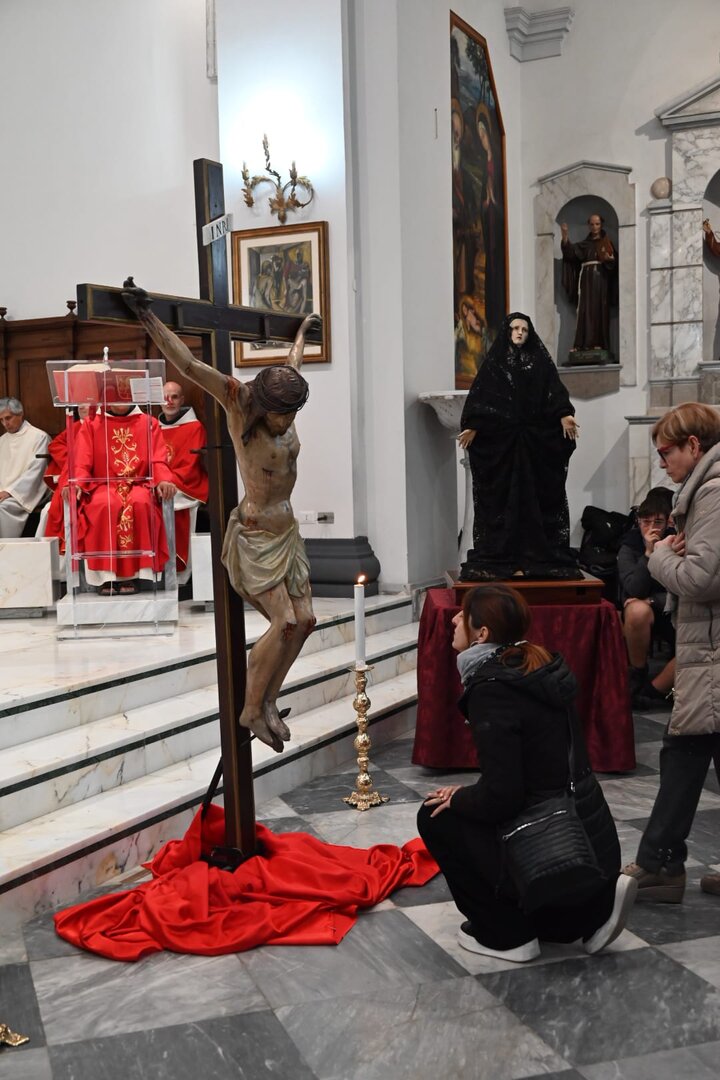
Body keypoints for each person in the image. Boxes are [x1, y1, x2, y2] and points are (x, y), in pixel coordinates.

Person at [122, 280, 319, 754]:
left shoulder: (283, 398)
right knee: (285, 622)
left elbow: (293, 363)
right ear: (263, 405)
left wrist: (301, 333)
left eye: (292, 413)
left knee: (307, 620)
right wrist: (148, 318)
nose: (287, 421)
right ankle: (251, 708)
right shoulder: (239, 403)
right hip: (256, 535)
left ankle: (269, 699)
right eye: (281, 415)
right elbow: (189, 365)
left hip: (288, 532)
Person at [417, 584, 635, 962]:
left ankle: (505, 934)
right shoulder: (535, 667)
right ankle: (584, 913)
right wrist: (470, 793)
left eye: (463, 615)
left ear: (482, 633)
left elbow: (503, 796)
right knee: (462, 802)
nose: (453, 619)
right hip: (581, 825)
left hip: (547, 833)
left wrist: (462, 798)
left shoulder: (492, 689)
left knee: (435, 815)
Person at [624, 403, 720, 902]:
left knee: (682, 750)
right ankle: (660, 862)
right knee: (691, 749)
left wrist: (659, 554)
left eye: (666, 453)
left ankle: (660, 864)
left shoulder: (714, 491)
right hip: (708, 648)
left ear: (694, 446)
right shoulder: (704, 491)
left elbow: (700, 580)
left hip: (713, 649)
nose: (662, 464)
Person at [458, 312, 580, 581]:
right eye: (515, 328)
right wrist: (474, 425)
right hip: (504, 447)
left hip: (535, 445)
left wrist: (564, 414)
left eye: (524, 329)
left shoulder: (540, 363)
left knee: (536, 500)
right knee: (502, 501)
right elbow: (483, 398)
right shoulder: (495, 365)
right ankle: (505, 557)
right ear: (507, 331)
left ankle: (534, 557)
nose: (520, 333)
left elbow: (553, 392)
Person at [72, 401, 177, 594]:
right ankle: (106, 578)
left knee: (140, 503)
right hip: (104, 484)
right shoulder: (92, 424)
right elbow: (82, 462)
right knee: (104, 505)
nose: (120, 401)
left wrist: (163, 479)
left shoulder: (148, 423)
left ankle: (134, 576)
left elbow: (158, 460)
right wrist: (78, 483)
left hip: (138, 483)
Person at [618, 489, 676, 709]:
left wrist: (653, 600)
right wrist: (649, 554)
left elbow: (683, 587)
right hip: (644, 612)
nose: (652, 528)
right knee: (637, 610)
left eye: (658, 522)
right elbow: (634, 589)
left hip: (674, 608)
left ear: (668, 523)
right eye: (646, 521)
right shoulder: (630, 545)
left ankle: (653, 691)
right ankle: (638, 675)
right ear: (638, 521)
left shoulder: (677, 542)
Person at [158, 381, 208, 584]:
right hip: (162, 485)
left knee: (173, 504)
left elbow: (190, 465)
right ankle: (158, 571)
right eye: (165, 397)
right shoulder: (153, 427)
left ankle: (181, 574)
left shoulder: (195, 427)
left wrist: (167, 482)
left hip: (185, 487)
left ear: (182, 400)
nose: (169, 401)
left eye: (174, 397)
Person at [561, 213, 617, 354]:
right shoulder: (585, 245)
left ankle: (600, 343)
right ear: (588, 225)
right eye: (592, 224)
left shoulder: (607, 243)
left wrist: (609, 260)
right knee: (585, 310)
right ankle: (583, 344)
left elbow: (613, 265)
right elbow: (570, 253)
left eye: (597, 224)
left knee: (600, 310)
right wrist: (565, 235)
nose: (594, 227)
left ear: (601, 225)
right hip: (586, 280)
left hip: (601, 280)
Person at [0, 397, 50, 537]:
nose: (5, 424)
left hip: (25, 494)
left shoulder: (39, 437)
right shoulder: (2, 441)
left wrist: (10, 491)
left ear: (20, 414)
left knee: (2, 508)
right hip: (4, 493)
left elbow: (36, 472)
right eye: (1, 420)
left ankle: (5, 548)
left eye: (8, 418)